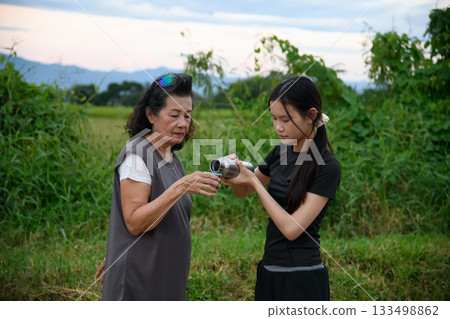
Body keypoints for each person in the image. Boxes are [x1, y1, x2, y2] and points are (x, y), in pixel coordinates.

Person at [98, 73, 221, 301]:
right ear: (150, 115)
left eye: (188, 115)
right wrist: (181, 187)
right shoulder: (138, 155)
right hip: (139, 280)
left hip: (164, 277)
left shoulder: (173, 159)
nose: (183, 123)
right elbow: (135, 222)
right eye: (174, 115)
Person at [222, 76, 341, 301]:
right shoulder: (280, 152)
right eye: (274, 118)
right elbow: (242, 192)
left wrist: (255, 183)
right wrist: (234, 173)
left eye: (285, 119)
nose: (278, 127)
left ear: (311, 115)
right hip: (269, 271)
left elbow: (291, 229)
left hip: (302, 278)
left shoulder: (327, 166)